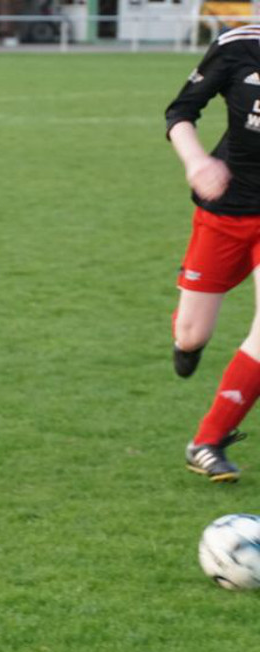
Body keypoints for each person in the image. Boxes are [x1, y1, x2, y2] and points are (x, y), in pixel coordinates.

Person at [165, 24, 260, 482]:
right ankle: (186, 344)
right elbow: (180, 113)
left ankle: (207, 441)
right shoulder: (237, 46)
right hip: (227, 210)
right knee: (191, 334)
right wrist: (197, 162)